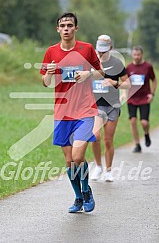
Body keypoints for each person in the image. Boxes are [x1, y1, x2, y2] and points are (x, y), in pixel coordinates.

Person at [40, 12, 104, 213]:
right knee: (68, 161)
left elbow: (101, 72)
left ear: (76, 28)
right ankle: (78, 198)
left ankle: (86, 191)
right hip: (62, 112)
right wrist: (48, 74)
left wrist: (88, 73)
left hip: (85, 110)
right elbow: (45, 82)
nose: (66, 28)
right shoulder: (51, 52)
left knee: (78, 157)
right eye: (62, 25)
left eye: (70, 25)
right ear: (58, 29)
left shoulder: (87, 49)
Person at [91, 34, 130, 181]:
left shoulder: (117, 64)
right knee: (95, 137)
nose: (101, 53)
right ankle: (98, 166)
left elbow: (128, 84)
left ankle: (108, 170)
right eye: (99, 50)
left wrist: (115, 84)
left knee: (108, 140)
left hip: (112, 106)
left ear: (111, 48)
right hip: (96, 105)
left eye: (104, 50)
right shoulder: (91, 63)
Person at [126, 46, 157, 153]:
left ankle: (146, 134)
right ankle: (137, 144)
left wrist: (152, 94)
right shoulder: (129, 68)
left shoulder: (148, 66)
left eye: (138, 55)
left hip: (144, 98)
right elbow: (126, 82)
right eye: (134, 55)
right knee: (133, 121)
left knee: (144, 122)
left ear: (142, 55)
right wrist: (124, 95)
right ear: (132, 55)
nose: (137, 57)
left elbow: (154, 80)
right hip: (132, 98)